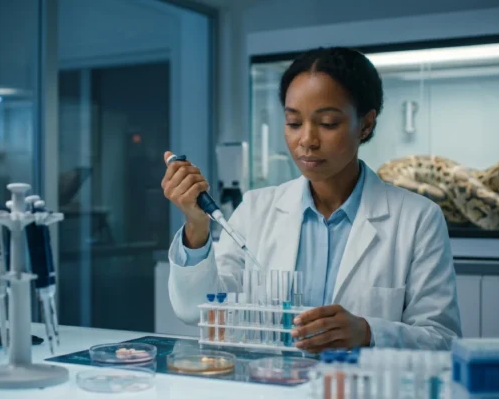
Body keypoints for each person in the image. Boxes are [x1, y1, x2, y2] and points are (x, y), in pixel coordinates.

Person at [161, 47, 461, 352]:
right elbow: (199, 310)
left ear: (366, 125)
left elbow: (442, 339)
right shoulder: (255, 209)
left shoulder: (417, 219)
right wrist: (196, 227)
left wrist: (368, 332)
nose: (307, 140)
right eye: (293, 123)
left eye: (328, 123)